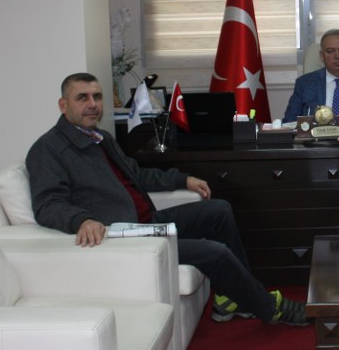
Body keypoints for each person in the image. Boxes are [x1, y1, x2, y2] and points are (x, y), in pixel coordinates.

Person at [26, 72, 308, 327]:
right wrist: (82, 220)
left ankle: (231, 300)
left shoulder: (100, 137)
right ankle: (269, 308)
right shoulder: (48, 149)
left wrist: (182, 179)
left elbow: (137, 174)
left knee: (219, 210)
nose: (92, 104)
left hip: (147, 221)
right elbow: (47, 204)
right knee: (214, 252)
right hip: (124, 235)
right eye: (82, 98)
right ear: (63, 105)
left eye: (97, 97)